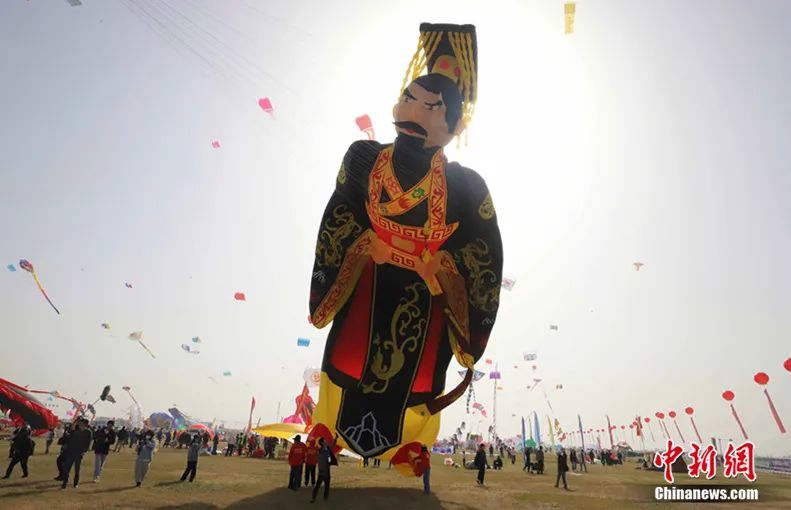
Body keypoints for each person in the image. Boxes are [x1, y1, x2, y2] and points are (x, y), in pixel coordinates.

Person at [306, 22, 502, 466]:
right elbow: (338, 215)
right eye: (408, 99)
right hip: (368, 279)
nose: (414, 113)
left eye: (432, 107)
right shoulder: (363, 159)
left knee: (419, 373)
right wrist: (362, 245)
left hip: (425, 294)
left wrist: (446, 268)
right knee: (348, 356)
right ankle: (329, 427)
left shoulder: (468, 187)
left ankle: (411, 443)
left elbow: (486, 255)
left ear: (456, 125)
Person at [61, 418, 92, 489]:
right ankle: (64, 483)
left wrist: (84, 451)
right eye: (79, 423)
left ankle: (75, 483)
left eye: (81, 423)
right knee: (67, 468)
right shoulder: (76, 431)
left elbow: (88, 443)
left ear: (85, 424)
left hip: (79, 453)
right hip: (71, 451)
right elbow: (70, 430)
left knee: (77, 468)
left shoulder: (88, 432)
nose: (79, 424)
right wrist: (76, 421)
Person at [311, 436, 337, 503]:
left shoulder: (327, 448)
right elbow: (321, 461)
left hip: (326, 469)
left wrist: (335, 439)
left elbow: (332, 446)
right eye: (324, 440)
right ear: (322, 442)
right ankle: (314, 498)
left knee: (326, 485)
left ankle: (325, 497)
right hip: (323, 470)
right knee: (318, 485)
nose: (326, 441)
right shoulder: (321, 451)